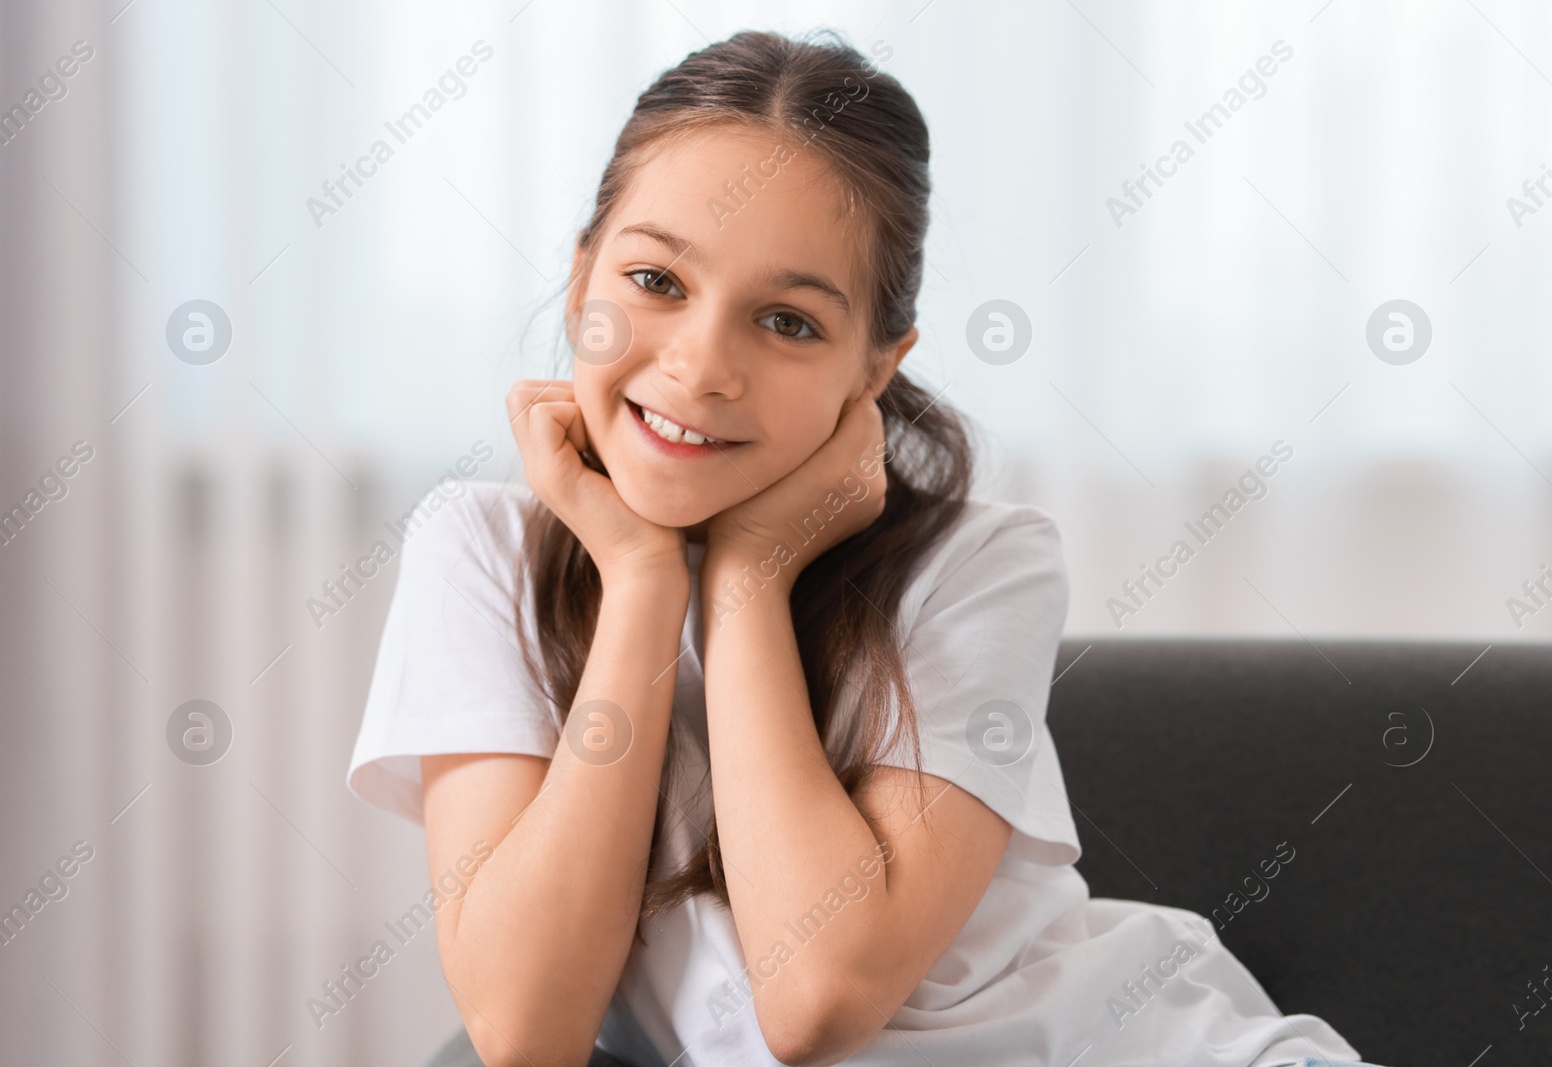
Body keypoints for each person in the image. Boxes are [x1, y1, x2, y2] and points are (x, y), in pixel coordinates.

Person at [347, 29, 1388, 1067]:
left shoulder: (982, 565)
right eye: (658, 280)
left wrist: (753, 574)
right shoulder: (478, 549)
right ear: (581, 281)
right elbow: (526, 1028)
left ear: (875, 365)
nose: (703, 366)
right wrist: (639, 577)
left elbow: (816, 999)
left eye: (788, 322)